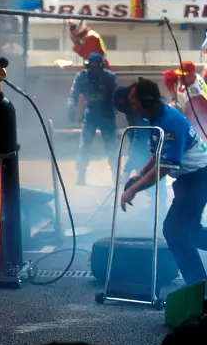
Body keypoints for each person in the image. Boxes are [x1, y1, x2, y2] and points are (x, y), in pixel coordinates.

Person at [120, 78, 207, 286]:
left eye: (134, 102)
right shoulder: (155, 119)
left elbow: (164, 168)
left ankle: (198, 286)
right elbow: (156, 157)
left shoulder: (171, 123)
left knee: (174, 230)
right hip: (189, 180)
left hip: (198, 178)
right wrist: (139, 177)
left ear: (148, 102)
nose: (131, 106)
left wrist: (134, 190)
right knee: (191, 232)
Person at [113, 84, 168, 210]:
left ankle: (158, 205)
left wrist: (127, 169)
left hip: (149, 149)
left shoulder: (145, 117)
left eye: (133, 104)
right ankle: (156, 204)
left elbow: (139, 144)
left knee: (154, 176)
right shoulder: (135, 111)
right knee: (145, 170)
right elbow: (134, 140)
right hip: (146, 149)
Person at [67, 53, 119, 185]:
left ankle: (116, 176)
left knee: (112, 146)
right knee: (84, 145)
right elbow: (73, 94)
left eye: (97, 67)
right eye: (92, 66)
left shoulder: (109, 77)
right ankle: (81, 174)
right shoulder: (81, 77)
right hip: (90, 113)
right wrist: (71, 106)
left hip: (106, 114)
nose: (94, 70)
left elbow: (116, 96)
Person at [67, 20, 111, 121]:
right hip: (98, 71)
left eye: (73, 28)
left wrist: (77, 44)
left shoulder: (91, 37)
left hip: (100, 73)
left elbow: (88, 55)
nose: (71, 32)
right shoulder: (88, 36)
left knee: (94, 99)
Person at [162, 60, 207, 142]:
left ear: (191, 75)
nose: (180, 77)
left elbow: (191, 119)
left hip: (200, 119)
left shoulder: (195, 94)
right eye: (179, 74)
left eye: (184, 75)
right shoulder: (189, 80)